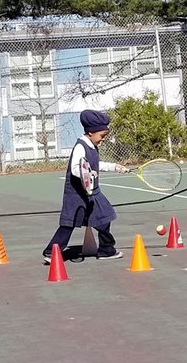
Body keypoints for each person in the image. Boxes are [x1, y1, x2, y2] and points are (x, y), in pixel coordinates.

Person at [42, 109, 129, 263]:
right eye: (102, 136)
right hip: (76, 195)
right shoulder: (80, 146)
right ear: (90, 132)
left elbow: (96, 164)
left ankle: (106, 249)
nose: (103, 140)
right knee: (68, 224)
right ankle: (51, 252)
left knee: (104, 217)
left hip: (93, 193)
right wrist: (87, 174)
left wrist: (115, 167)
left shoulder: (92, 146)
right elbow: (76, 168)